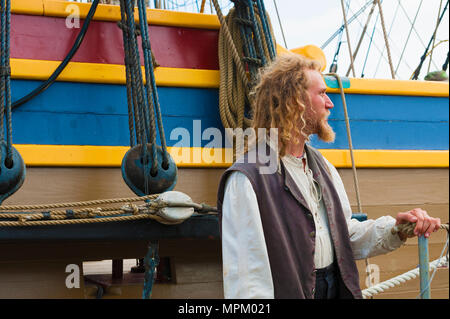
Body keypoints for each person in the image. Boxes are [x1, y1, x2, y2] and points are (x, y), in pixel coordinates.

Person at [216, 53, 441, 299]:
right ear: (295, 101)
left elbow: (345, 236)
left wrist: (396, 229)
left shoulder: (321, 166)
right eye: (322, 93)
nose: (330, 103)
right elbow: (247, 280)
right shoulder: (247, 179)